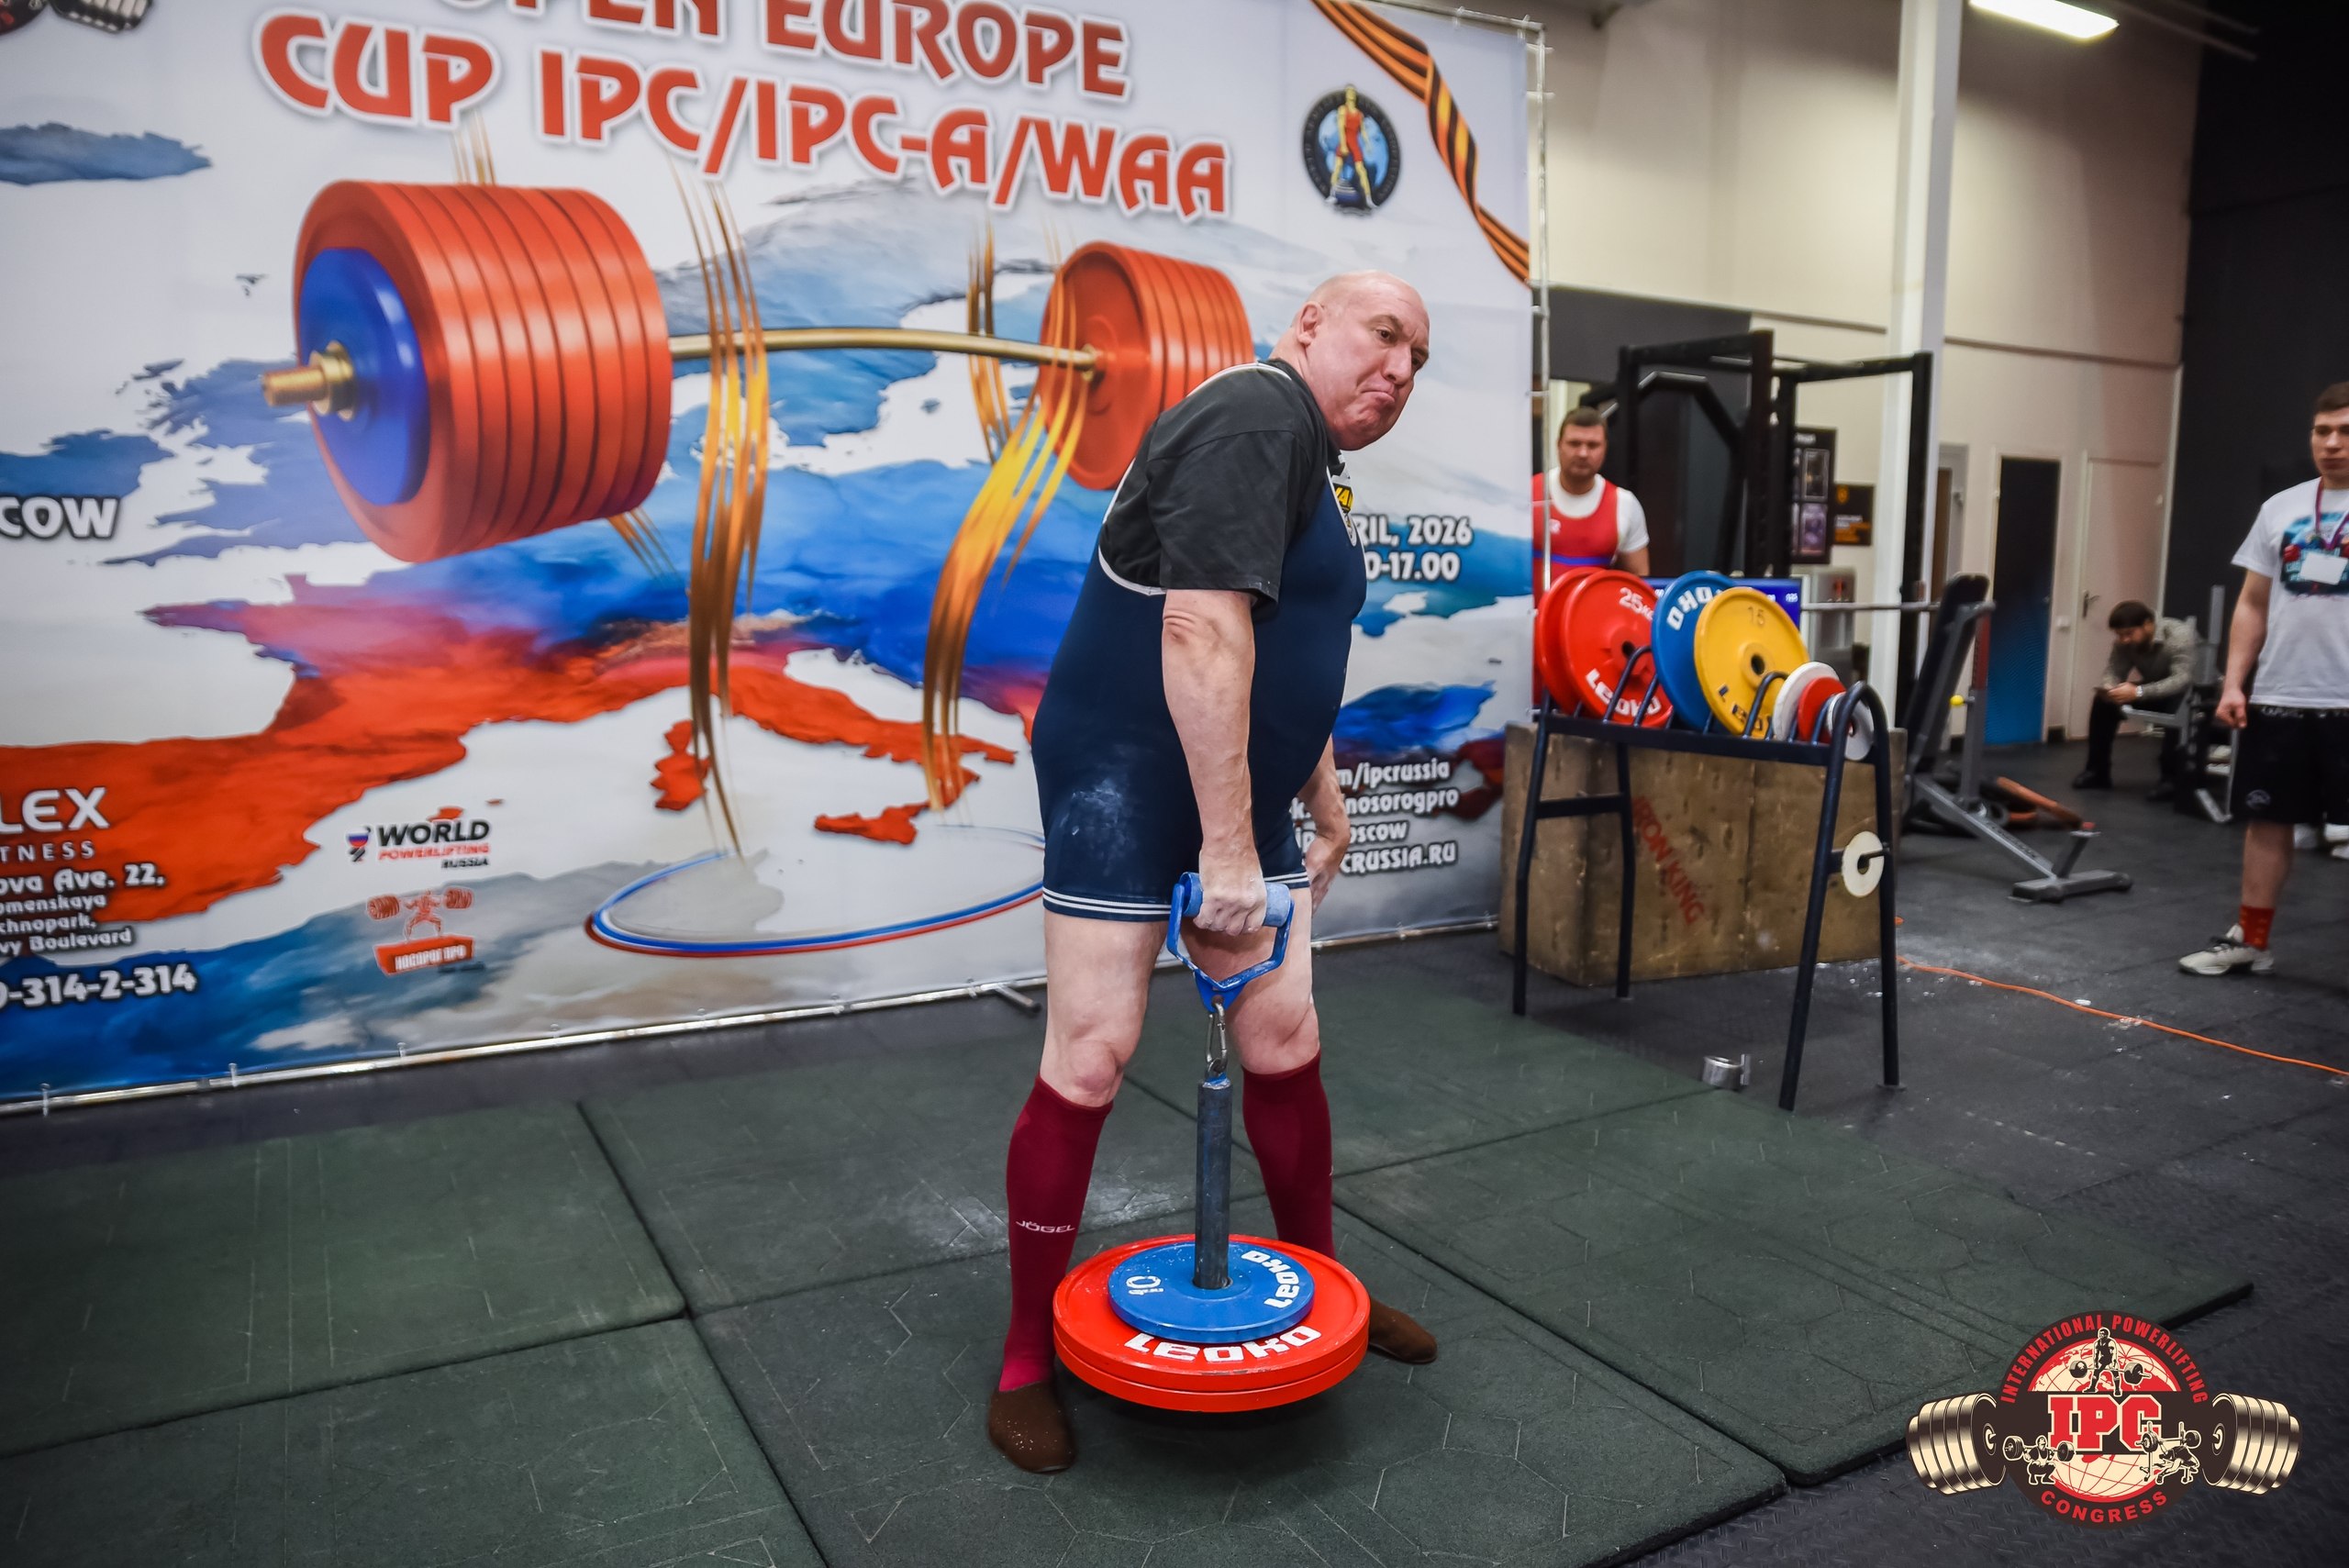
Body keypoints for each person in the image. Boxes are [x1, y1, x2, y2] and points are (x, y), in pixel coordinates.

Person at [989, 272, 1438, 1473]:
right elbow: (1197, 627)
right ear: (1309, 325)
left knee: (1284, 1038)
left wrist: (1320, 798)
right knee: (1091, 1052)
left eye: (1418, 358)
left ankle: (1326, 1285)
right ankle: (1025, 1355)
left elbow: (1284, 646)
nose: (1400, 369)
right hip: (1126, 779)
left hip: (1236, 780)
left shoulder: (1305, 457)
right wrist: (1229, 849)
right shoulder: (1253, 411)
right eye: (1383, 335)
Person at [2180, 383, 2349, 977]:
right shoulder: (2282, 508)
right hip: (2281, 696)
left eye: (2346, 431)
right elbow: (2253, 603)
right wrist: (2233, 683)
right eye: (2322, 431)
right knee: (2267, 820)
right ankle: (2251, 940)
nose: (2332, 443)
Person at [2073, 600, 2195, 799]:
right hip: (2154, 690)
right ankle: (2097, 772)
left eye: (2128, 634)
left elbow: (2182, 680)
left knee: (2177, 704)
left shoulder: (2179, 635)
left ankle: (2171, 781)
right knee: (2103, 703)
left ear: (2147, 624)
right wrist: (2110, 689)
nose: (2123, 640)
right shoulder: (2124, 642)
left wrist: (2139, 692)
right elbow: (2114, 671)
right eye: (2119, 635)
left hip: (2191, 695)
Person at [1532, 406, 1650, 589]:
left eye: (1593, 445)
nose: (1583, 453)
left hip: (1595, 608)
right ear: (1558, 445)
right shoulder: (1526, 495)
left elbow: (1638, 585)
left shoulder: (1625, 504)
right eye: (1574, 443)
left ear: (1605, 448)